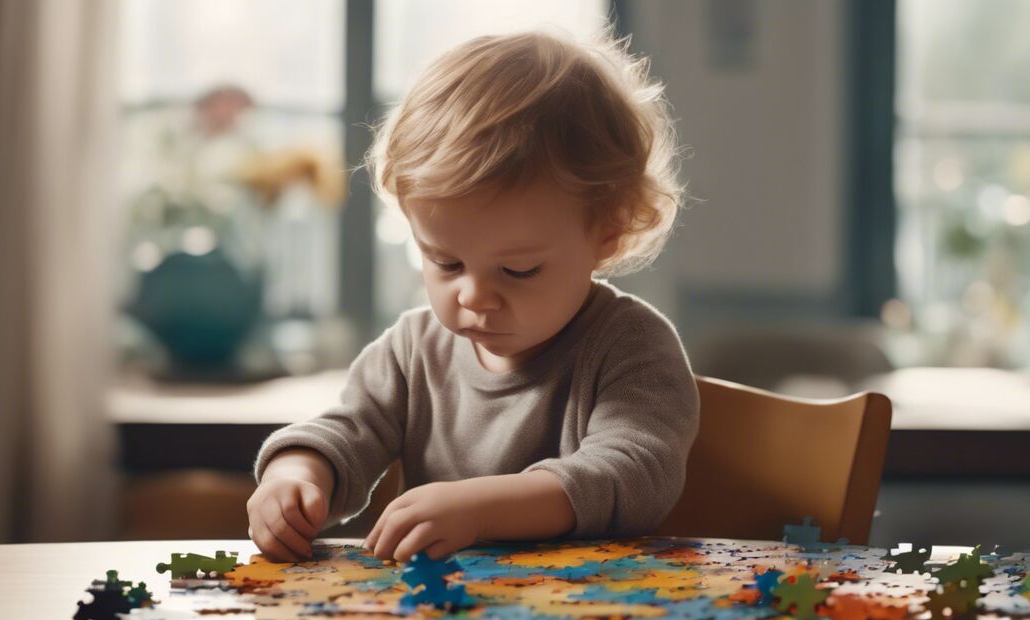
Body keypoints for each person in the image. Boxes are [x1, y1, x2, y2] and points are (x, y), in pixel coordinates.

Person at [245, 29, 698, 563]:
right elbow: (349, 428)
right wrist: (295, 472)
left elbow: (634, 472)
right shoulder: (413, 350)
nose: (476, 296)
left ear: (608, 233)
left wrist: (482, 509)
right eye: (445, 262)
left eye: (518, 269)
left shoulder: (632, 345)